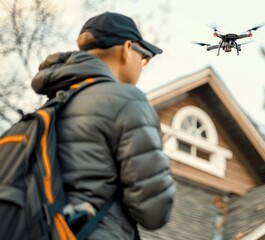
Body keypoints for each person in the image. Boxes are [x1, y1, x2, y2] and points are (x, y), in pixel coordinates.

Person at [31, 12, 176, 239]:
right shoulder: (127, 100)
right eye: (145, 58)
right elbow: (154, 212)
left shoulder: (52, 104)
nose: (142, 65)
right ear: (128, 49)